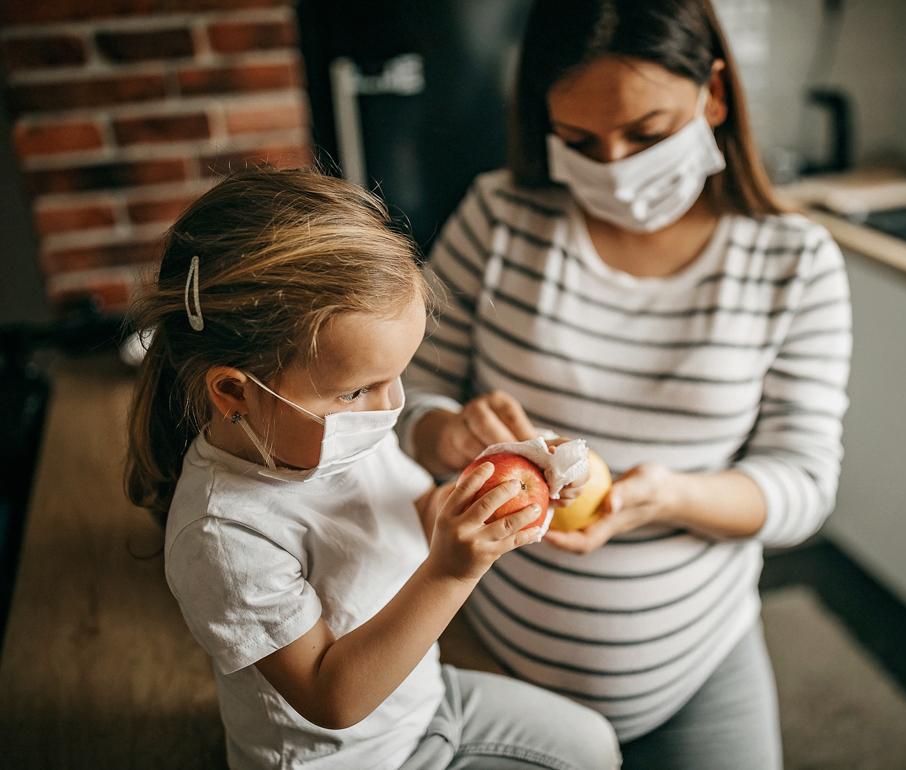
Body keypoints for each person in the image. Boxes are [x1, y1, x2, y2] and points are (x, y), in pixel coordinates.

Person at [399, 1, 852, 768]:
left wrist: (669, 494)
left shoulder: (795, 263)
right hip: (493, 657)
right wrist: (448, 432)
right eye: (579, 141)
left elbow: (804, 483)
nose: (613, 168)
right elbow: (403, 394)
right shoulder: (498, 217)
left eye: (646, 134)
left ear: (714, 93)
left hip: (699, 666)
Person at [123, 168, 621, 770]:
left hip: (423, 698)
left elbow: (414, 509)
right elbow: (333, 698)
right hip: (350, 756)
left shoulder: (336, 435)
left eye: (398, 375)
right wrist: (451, 571)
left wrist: (505, 486)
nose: (391, 408)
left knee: (593, 745)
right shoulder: (223, 534)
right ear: (234, 392)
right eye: (359, 390)